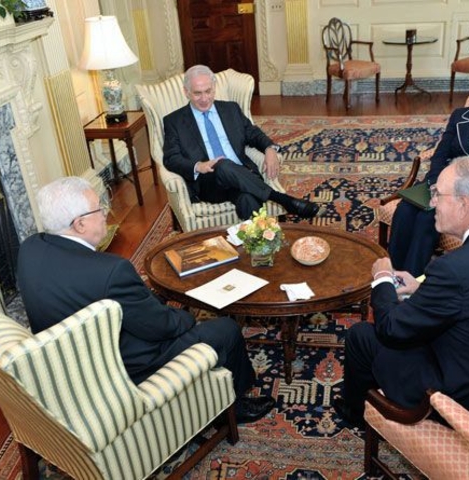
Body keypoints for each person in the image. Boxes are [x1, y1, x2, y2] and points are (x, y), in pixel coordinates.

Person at [17, 176, 275, 424]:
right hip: (125, 367)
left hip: (65, 361)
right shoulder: (109, 271)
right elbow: (162, 327)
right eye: (99, 209)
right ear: (79, 224)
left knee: (150, 304)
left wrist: (145, 300)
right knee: (226, 329)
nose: (105, 214)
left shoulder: (29, 249)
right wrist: (187, 316)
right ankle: (233, 405)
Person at [335, 156, 469, 427]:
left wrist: (383, 278)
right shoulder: (455, 271)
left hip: (452, 390)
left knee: (362, 336)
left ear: (463, 205)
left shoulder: (452, 269)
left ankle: (356, 416)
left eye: (438, 195)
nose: (432, 204)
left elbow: (391, 329)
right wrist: (422, 288)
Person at [162, 64, 323, 221]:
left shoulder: (230, 109)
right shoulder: (174, 121)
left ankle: (262, 242)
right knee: (223, 164)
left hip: (242, 176)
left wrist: (269, 148)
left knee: (247, 200)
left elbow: (252, 133)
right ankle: (284, 201)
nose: (204, 98)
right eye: (197, 93)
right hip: (209, 183)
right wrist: (199, 166)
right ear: (186, 92)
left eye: (208, 91)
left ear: (214, 88)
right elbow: (171, 158)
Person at [389, 107, 469, 277]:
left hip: (464, 190)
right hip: (441, 179)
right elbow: (440, 153)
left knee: (426, 219)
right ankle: (392, 272)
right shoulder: (459, 115)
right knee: (404, 210)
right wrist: (435, 185)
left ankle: (411, 280)